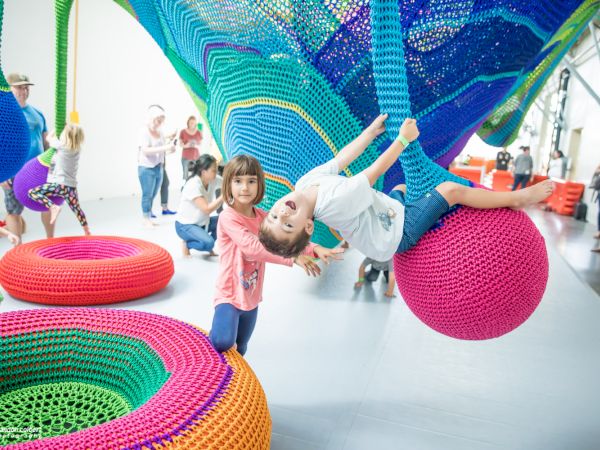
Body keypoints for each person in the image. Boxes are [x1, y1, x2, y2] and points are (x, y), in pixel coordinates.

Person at [258, 114, 553, 262]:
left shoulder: (304, 184)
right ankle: (517, 197)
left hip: (386, 209)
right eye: (288, 225)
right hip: (397, 236)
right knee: (450, 190)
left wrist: (370, 133)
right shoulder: (333, 203)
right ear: (308, 226)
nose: (282, 213)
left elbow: (340, 159)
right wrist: (403, 139)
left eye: (274, 216)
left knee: (401, 185)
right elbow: (374, 172)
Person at [209, 154, 342, 356]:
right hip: (229, 293)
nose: (245, 188)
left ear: (259, 185)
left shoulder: (264, 216)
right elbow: (252, 247)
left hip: (251, 296)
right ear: (228, 185)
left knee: (241, 347)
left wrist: (313, 248)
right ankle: (211, 343)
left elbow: (285, 235)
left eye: (251, 181)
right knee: (222, 341)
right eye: (238, 181)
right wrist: (294, 257)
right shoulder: (228, 217)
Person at [1, 73, 55, 241]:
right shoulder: (4, 114)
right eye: (19, 87)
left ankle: (50, 241)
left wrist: (51, 162)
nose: (24, 91)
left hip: (38, 168)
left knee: (49, 205)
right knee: (13, 211)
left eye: (26, 87)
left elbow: (45, 141)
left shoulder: (37, 113)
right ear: (9, 90)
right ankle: (17, 249)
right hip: (14, 171)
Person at [27, 124, 90, 235]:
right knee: (76, 208)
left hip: (59, 185)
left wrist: (57, 127)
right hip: (71, 187)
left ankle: (53, 207)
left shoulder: (61, 145)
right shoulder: (77, 149)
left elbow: (48, 138)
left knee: (32, 193)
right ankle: (86, 230)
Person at [175, 154, 223, 257]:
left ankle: (206, 241)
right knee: (208, 243)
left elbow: (228, 183)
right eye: (214, 170)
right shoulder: (193, 185)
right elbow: (206, 209)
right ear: (203, 172)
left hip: (202, 222)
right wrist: (223, 197)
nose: (216, 172)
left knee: (225, 220)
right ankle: (187, 244)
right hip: (185, 225)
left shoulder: (213, 179)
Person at [138, 104, 176, 226]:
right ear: (152, 117)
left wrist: (170, 150)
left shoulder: (160, 132)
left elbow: (160, 150)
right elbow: (145, 150)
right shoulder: (144, 132)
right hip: (146, 168)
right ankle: (145, 218)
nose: (160, 122)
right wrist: (165, 147)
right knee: (147, 194)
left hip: (158, 167)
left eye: (162, 120)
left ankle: (148, 215)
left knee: (153, 193)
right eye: (158, 120)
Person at [179, 116, 203, 182]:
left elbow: (200, 144)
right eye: (191, 123)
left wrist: (195, 144)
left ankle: (193, 190)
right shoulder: (183, 131)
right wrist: (187, 145)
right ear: (188, 123)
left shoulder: (198, 132)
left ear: (196, 124)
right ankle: (185, 189)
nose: (192, 124)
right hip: (186, 157)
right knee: (186, 176)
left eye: (194, 123)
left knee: (196, 176)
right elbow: (180, 144)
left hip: (196, 157)